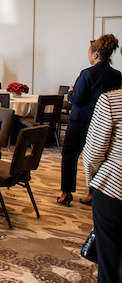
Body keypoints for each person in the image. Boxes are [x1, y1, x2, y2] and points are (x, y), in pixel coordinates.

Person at [57, 34, 121, 206]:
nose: (88, 55)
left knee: (70, 155)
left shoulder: (87, 74)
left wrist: (71, 92)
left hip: (81, 121)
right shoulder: (117, 75)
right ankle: (92, 193)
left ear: (95, 54)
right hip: (103, 125)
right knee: (99, 158)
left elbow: (76, 99)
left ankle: (66, 193)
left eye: (88, 52)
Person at [82, 89, 122, 282]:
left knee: (110, 260)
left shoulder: (112, 100)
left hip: (114, 188)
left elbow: (92, 154)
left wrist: (92, 184)